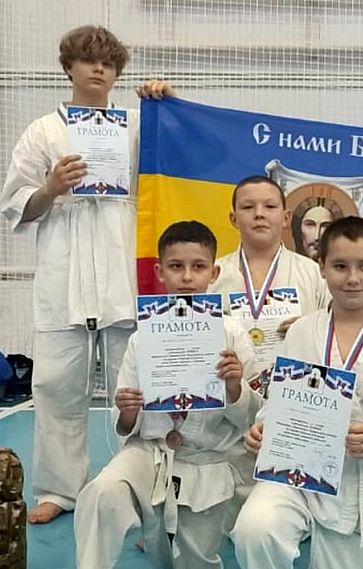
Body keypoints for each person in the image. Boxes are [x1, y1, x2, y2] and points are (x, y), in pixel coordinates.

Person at [0, 25, 174, 524]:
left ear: (117, 72)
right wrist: (52, 188)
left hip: (124, 274)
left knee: (135, 389)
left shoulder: (139, 125)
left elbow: (178, 159)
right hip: (63, 276)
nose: (99, 69)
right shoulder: (42, 132)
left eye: (109, 63)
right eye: (88, 60)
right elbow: (16, 206)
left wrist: (166, 104)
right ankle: (60, 490)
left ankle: (141, 489)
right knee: (55, 388)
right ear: (68, 68)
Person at [231, 216, 363, 569]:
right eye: (340, 266)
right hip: (295, 470)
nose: (353, 278)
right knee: (255, 529)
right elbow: (278, 401)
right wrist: (263, 431)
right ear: (322, 267)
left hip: (359, 478)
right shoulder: (302, 331)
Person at [74, 221, 262, 569]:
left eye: (198, 266)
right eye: (176, 266)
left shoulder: (232, 334)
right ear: (160, 272)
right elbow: (125, 422)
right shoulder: (142, 336)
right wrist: (128, 410)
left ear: (214, 273)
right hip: (151, 451)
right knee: (102, 493)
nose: (187, 277)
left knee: (192, 561)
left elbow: (252, 419)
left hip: (207, 460)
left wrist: (234, 387)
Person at [210, 175, 331, 349]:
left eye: (270, 206)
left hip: (295, 365)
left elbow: (339, 331)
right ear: (234, 219)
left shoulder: (315, 274)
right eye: (248, 207)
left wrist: (310, 329)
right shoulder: (212, 275)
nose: (259, 214)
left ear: (286, 218)